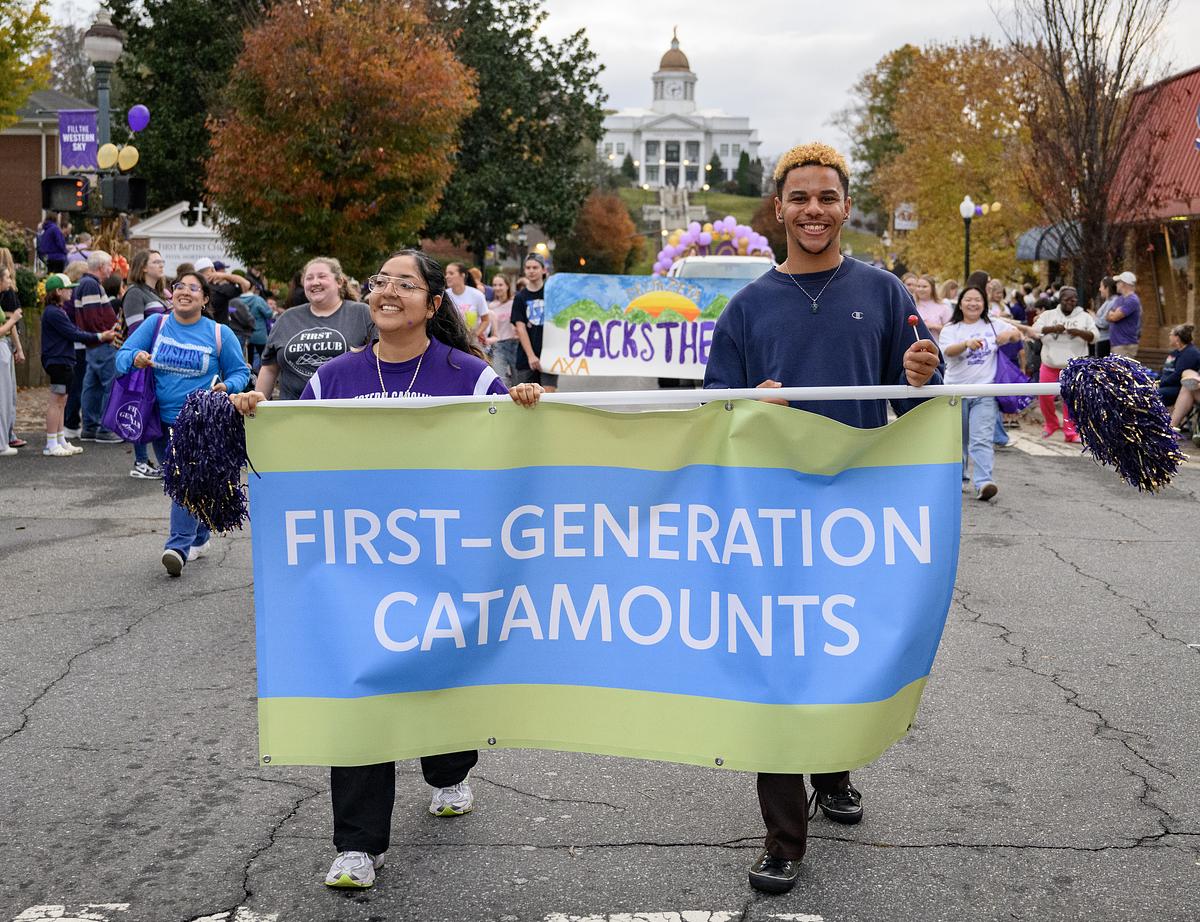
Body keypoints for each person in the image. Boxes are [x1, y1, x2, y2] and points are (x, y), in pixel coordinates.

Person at [230, 248, 543, 890]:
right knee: (360, 688)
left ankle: (449, 767)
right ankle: (358, 844)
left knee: (439, 679)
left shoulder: (470, 375)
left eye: (406, 284)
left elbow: (516, 449)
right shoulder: (333, 379)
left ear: (433, 304)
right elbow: (301, 458)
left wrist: (528, 404)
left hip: (449, 569)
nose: (388, 292)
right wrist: (259, 420)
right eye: (380, 283)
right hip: (358, 569)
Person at [703, 141, 942, 896]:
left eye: (827, 198)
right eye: (799, 198)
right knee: (775, 666)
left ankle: (832, 770)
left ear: (846, 207)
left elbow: (913, 406)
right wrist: (747, 404)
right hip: (769, 516)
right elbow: (711, 411)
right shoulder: (745, 307)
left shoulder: (885, 291)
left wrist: (921, 380)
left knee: (837, 649)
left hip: (857, 514)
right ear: (778, 208)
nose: (814, 211)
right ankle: (782, 838)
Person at [115, 271, 250, 576]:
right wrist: (135, 356)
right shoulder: (156, 324)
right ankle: (200, 536)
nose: (184, 292)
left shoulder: (219, 334)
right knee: (186, 484)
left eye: (193, 288)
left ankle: (177, 546)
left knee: (184, 480)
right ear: (171, 293)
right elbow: (121, 357)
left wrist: (227, 387)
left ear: (204, 300)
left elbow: (241, 373)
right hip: (160, 422)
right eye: (179, 287)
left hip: (201, 426)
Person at [939, 286, 1023, 500]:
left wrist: (1009, 335)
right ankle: (957, 479)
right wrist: (966, 344)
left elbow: (1017, 335)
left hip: (985, 392)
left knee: (981, 439)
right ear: (960, 303)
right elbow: (947, 351)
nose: (973, 304)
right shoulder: (951, 328)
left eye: (978, 300)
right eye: (968, 300)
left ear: (984, 303)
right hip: (955, 393)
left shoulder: (993, 324)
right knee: (958, 441)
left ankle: (984, 482)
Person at [258, 257, 371, 400]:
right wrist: (258, 409)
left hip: (345, 411)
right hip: (293, 413)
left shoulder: (362, 313)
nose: (315, 282)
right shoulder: (287, 318)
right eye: (309, 278)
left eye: (322, 276)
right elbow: (269, 368)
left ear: (339, 282)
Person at [39, 273, 117, 456]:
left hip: (63, 360)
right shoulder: (53, 313)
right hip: (58, 360)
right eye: (68, 289)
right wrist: (100, 336)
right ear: (58, 291)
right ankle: (51, 442)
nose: (71, 292)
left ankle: (60, 439)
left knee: (62, 401)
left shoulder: (58, 311)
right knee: (56, 401)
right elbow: (73, 333)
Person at [122, 251, 171, 477]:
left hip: (158, 361)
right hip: (142, 361)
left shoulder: (157, 293)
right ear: (143, 267)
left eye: (162, 261)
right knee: (139, 410)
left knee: (153, 411)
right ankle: (141, 462)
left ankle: (159, 461)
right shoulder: (134, 293)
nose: (161, 265)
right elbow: (135, 332)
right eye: (156, 262)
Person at [1030, 286, 1095, 442]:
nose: (1071, 302)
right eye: (1067, 299)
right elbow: (1033, 331)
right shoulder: (1048, 315)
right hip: (1050, 364)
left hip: (1073, 367)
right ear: (1060, 300)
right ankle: (1051, 425)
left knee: (1070, 399)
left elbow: (1094, 336)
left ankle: (1071, 431)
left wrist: (1078, 332)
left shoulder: (1084, 317)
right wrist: (1052, 328)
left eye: (1074, 299)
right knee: (1045, 396)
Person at [75, 251, 123, 443]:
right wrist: (105, 334)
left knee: (92, 386)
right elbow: (93, 317)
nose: (112, 268)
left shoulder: (87, 284)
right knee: (108, 386)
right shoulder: (91, 285)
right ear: (101, 267)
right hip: (102, 343)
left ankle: (90, 427)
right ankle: (104, 429)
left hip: (95, 344)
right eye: (110, 264)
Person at [512, 254, 557, 391]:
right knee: (526, 400)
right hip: (526, 358)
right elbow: (520, 328)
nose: (531, 271)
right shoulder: (520, 297)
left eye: (535, 267)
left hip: (550, 356)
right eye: (528, 267)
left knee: (549, 398)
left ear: (544, 270)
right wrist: (531, 356)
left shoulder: (552, 295)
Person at [61, 261, 90, 437]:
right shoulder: (73, 298)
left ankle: (70, 422)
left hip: (73, 345)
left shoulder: (68, 298)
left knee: (74, 386)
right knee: (77, 386)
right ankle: (71, 423)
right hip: (78, 345)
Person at [0, 259, 26, 449]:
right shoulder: (7, 299)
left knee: (9, 396)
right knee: (4, 396)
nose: (10, 281)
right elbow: (5, 329)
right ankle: (3, 440)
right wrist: (14, 319)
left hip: (5, 348)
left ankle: (7, 436)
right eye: (7, 277)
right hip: (2, 346)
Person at [1157, 324, 1200, 433]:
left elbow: (1177, 376)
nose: (1169, 337)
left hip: (1175, 387)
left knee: (1152, 394)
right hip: (1170, 385)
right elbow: (1164, 371)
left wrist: (1160, 383)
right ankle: (1167, 426)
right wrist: (1155, 380)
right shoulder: (1174, 353)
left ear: (1177, 337)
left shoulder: (1191, 353)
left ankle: (1164, 426)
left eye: (1171, 334)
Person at [482, 273, 518, 386]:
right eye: (495, 285)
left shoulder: (515, 302)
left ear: (507, 286)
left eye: (500, 285)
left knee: (518, 380)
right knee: (501, 379)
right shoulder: (491, 306)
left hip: (515, 344)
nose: (497, 288)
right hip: (498, 346)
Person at [194, 257, 251, 325]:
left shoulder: (192, 290)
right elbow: (246, 284)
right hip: (219, 332)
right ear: (212, 270)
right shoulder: (221, 290)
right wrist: (225, 276)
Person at [444, 262, 489, 336]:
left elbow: (486, 320)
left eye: (451, 273)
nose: (447, 276)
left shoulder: (477, 295)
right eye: (446, 273)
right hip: (450, 341)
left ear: (462, 275)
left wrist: (475, 335)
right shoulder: (444, 295)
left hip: (471, 342)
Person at [1107, 271, 1141, 358]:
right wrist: (1113, 314)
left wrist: (1113, 314)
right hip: (1117, 344)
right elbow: (1108, 316)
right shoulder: (1120, 299)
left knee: (1121, 371)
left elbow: (1114, 317)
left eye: (1118, 282)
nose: (1116, 285)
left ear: (1124, 284)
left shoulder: (1132, 300)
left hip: (1125, 345)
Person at [912, 274, 950, 339]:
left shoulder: (943, 306)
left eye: (924, 287)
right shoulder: (912, 305)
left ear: (932, 288)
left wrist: (933, 326)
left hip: (936, 344)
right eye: (918, 286)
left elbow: (950, 330)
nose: (921, 289)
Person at [1092, 277, 1116, 359]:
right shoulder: (1108, 301)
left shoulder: (1112, 302)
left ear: (1107, 288)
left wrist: (1093, 317)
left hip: (1106, 339)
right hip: (1102, 339)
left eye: (1101, 286)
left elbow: (1104, 323)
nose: (1099, 289)